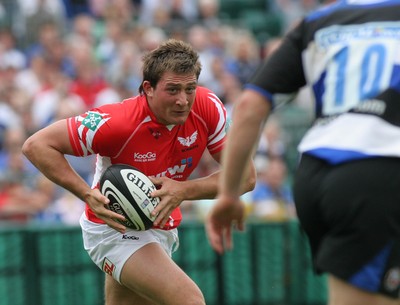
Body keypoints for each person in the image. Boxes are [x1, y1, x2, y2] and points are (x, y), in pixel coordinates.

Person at [22, 38, 256, 305]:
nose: (183, 100)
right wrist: (86, 194)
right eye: (173, 89)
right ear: (149, 88)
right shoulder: (118, 122)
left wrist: (183, 190)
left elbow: (246, 178)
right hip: (114, 228)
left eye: (190, 88)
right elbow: (36, 145)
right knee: (190, 300)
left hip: (159, 225)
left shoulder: (207, 107)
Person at [205, 1, 400, 305]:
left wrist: (229, 195)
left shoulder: (318, 22)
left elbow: (248, 107)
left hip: (316, 176)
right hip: (376, 169)